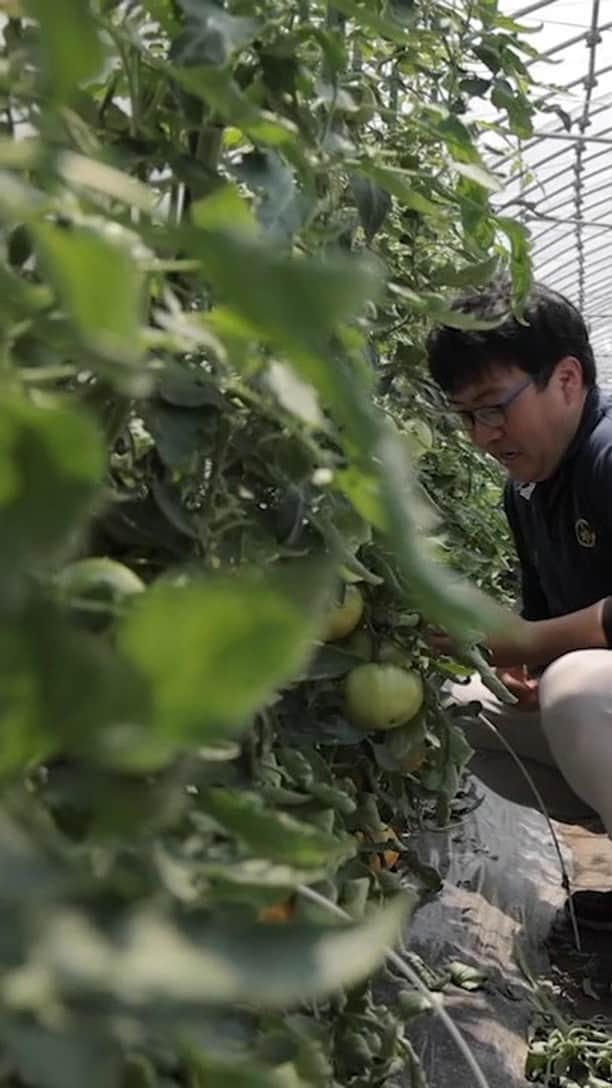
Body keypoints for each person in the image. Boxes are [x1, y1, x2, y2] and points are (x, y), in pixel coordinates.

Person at [426, 277, 612, 930]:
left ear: (566, 379)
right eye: (467, 416)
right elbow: (542, 625)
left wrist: (535, 647)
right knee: (459, 708)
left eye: (494, 407)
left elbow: (549, 642)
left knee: (581, 690)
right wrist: (518, 667)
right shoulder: (527, 492)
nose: (483, 434)